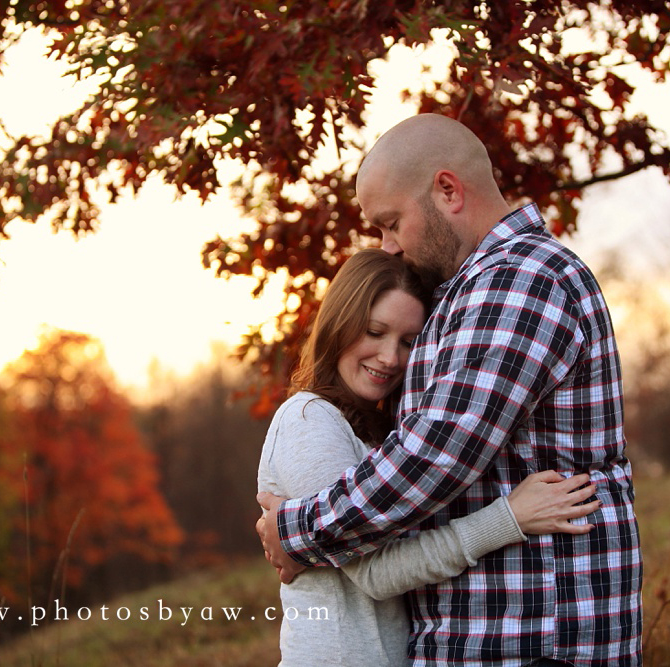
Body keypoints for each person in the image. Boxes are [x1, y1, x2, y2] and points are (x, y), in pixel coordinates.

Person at [257, 114, 642, 666]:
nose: (386, 246)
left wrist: (296, 531)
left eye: (391, 222)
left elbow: (436, 456)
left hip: (528, 640)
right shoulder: (469, 291)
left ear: (447, 190)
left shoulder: (520, 280)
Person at [258, 247, 602, 666]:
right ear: (339, 324)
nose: (390, 358)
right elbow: (376, 574)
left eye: (407, 342)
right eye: (374, 331)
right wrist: (509, 517)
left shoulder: (380, 429)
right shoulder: (309, 418)